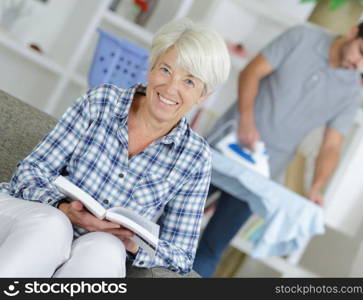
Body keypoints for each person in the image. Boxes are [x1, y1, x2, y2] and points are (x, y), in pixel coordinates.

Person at [0, 18, 230, 277]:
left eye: (189, 82)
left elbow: (182, 255)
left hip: (100, 244)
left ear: (203, 96)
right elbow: (30, 172)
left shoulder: (194, 158)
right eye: (165, 70)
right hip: (35, 217)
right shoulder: (101, 102)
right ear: (151, 67)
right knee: (54, 226)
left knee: (106, 250)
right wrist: (64, 209)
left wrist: (132, 244)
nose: (170, 88)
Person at [194, 16, 363, 277]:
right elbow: (252, 72)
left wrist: (317, 186)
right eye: (361, 53)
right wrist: (246, 121)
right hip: (224, 147)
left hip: (261, 175)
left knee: (212, 247)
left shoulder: (351, 93)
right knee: (171, 222)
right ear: (352, 32)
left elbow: (332, 145)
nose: (360, 64)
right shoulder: (301, 38)